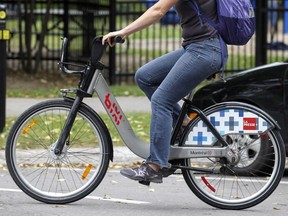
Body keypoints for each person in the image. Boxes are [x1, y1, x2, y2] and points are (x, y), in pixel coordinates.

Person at [102, 0, 224, 184]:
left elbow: (158, 10)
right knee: (145, 76)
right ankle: (184, 123)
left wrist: (123, 32)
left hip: (205, 50)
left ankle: (154, 166)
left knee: (161, 100)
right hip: (196, 47)